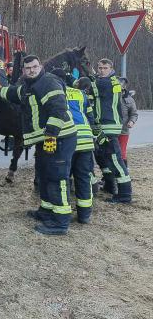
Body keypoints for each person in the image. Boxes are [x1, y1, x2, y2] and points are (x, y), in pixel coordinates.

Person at [0, 55, 77, 235]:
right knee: (44, 175)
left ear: (40, 67)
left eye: (34, 67)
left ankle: (60, 222)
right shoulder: (29, 87)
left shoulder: (48, 82)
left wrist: (51, 135)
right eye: (28, 68)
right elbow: (14, 93)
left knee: (57, 177)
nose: (31, 70)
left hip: (58, 139)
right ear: (23, 70)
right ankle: (46, 211)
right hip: (44, 141)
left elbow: (59, 109)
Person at [52, 70, 95, 224]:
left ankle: (63, 212)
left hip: (68, 139)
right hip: (86, 139)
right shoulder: (80, 94)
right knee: (84, 177)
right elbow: (90, 116)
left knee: (63, 178)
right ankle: (84, 216)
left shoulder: (55, 93)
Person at [91, 59, 132, 203]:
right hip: (108, 125)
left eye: (105, 68)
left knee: (115, 159)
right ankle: (109, 185)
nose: (102, 70)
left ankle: (125, 194)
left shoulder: (105, 83)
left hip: (108, 126)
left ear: (111, 69)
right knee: (102, 156)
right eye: (100, 67)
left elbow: (92, 86)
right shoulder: (114, 82)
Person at [118, 77, 138, 167]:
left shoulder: (129, 99)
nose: (121, 85)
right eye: (119, 83)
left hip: (123, 130)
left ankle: (124, 172)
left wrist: (131, 122)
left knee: (122, 152)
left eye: (122, 84)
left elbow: (134, 114)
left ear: (124, 86)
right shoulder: (109, 96)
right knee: (110, 153)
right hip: (110, 130)